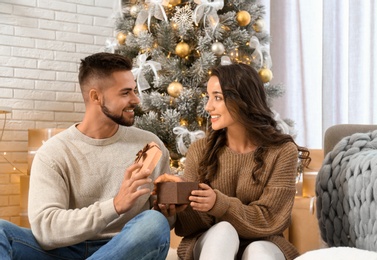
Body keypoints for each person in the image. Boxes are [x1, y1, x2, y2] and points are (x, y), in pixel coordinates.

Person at [0, 52, 172, 259]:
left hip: (125, 247)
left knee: (154, 222)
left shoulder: (150, 144)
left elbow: (158, 230)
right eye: (125, 93)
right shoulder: (54, 152)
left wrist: (168, 210)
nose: (136, 100)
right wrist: (115, 206)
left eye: (134, 91)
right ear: (95, 97)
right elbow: (46, 230)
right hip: (65, 250)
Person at [155, 63, 310, 260]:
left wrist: (219, 203)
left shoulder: (282, 151)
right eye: (208, 97)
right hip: (211, 243)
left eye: (217, 98)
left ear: (243, 100)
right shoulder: (201, 150)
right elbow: (190, 226)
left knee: (258, 252)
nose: (208, 106)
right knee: (223, 231)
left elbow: (271, 219)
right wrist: (179, 205)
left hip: (264, 242)